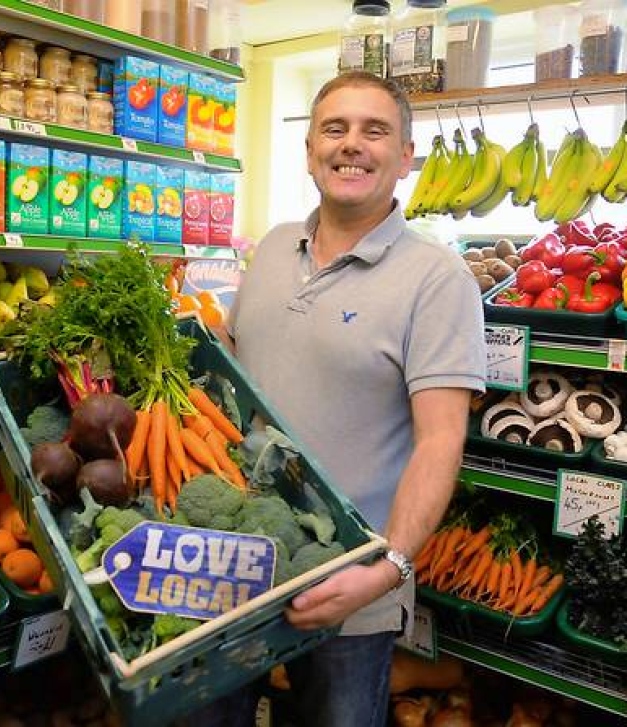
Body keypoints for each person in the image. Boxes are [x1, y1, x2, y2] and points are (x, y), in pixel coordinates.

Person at [198, 71, 486, 727]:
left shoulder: (437, 279)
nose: (351, 145)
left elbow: (441, 440)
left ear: (406, 155)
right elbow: (239, 387)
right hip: (239, 562)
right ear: (309, 150)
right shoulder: (271, 249)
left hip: (351, 582)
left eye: (374, 130)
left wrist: (387, 569)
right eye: (335, 128)